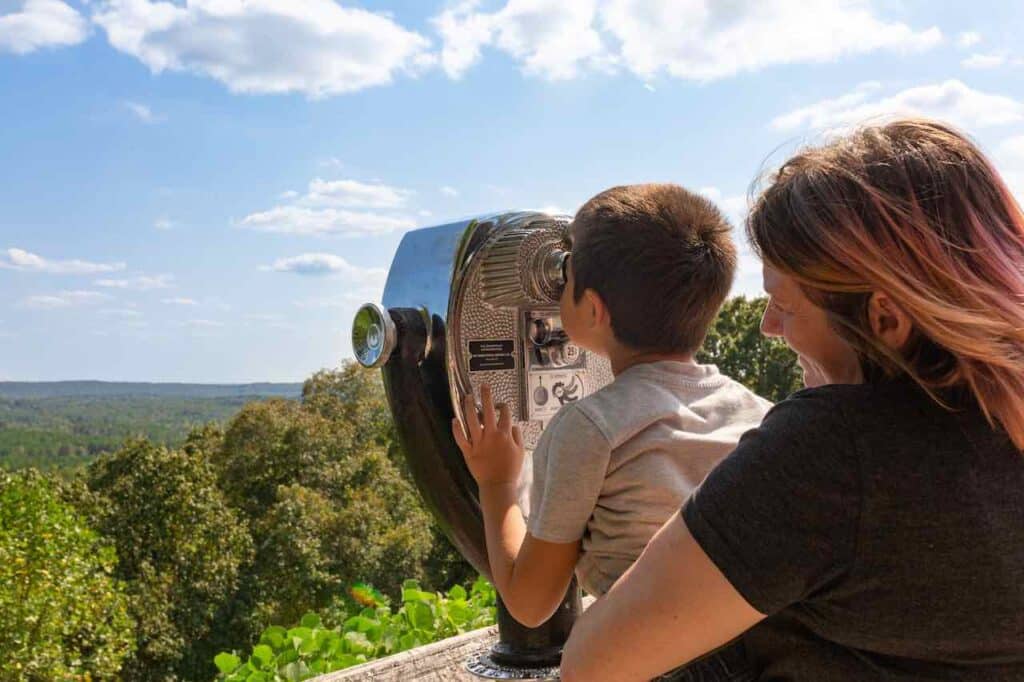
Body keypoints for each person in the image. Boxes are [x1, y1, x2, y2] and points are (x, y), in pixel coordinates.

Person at [560, 119, 1024, 681]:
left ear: (885, 318)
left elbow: (593, 664)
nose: (768, 326)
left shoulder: (831, 454)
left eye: (784, 303)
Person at [453, 184, 772, 681]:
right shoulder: (758, 413)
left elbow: (531, 603)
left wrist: (496, 483)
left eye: (566, 278)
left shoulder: (589, 427)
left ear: (594, 310)